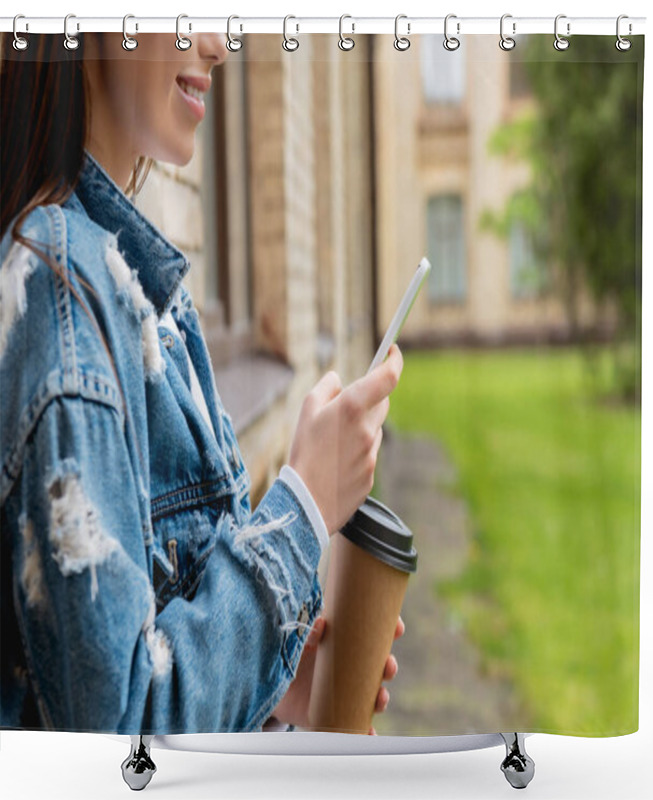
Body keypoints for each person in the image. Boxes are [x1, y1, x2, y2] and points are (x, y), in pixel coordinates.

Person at [0, 31, 404, 735]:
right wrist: (304, 507)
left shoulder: (132, 287)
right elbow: (118, 740)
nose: (219, 45)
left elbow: (149, 664)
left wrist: (273, 683)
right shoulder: (62, 291)